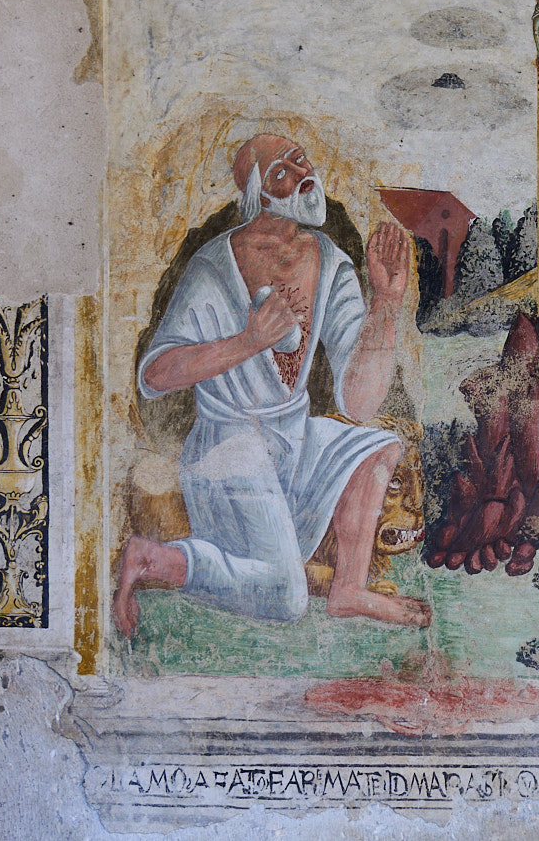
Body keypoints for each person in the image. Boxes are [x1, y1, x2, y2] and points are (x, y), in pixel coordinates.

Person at [112, 133, 431, 635]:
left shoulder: (330, 261)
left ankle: (349, 589)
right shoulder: (214, 266)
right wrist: (249, 341)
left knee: (378, 446)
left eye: (302, 161)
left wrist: (385, 306)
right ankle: (155, 558)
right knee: (285, 598)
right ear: (259, 195)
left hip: (292, 440)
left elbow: (359, 403)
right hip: (228, 450)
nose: (304, 175)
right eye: (283, 171)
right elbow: (155, 374)